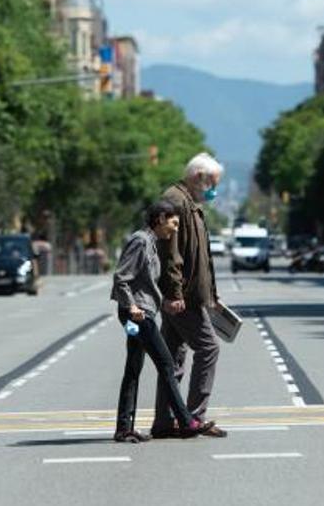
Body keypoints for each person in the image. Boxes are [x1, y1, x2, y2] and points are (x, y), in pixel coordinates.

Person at [110, 200, 212, 443]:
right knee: (167, 365)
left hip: (139, 313)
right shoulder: (140, 241)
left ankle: (124, 428)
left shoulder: (151, 244)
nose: (175, 229)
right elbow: (121, 277)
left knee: (133, 368)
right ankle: (187, 421)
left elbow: (145, 284)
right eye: (173, 223)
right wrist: (132, 306)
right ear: (160, 218)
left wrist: (165, 303)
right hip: (138, 316)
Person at [151, 153, 229, 439]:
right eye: (212, 184)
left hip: (190, 296)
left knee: (172, 359)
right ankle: (193, 417)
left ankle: (164, 421)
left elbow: (202, 258)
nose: (213, 190)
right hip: (182, 298)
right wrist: (173, 294)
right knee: (209, 348)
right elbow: (170, 255)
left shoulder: (190, 203)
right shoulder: (175, 201)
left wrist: (212, 295)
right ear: (198, 177)